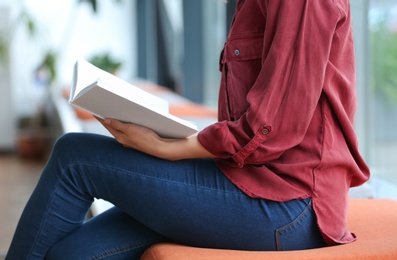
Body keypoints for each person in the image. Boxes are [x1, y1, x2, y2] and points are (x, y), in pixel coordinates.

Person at [6, 0, 370, 259]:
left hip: (289, 205)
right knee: (71, 253)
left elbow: (270, 129)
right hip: (247, 182)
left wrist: (167, 147)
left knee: (74, 158)